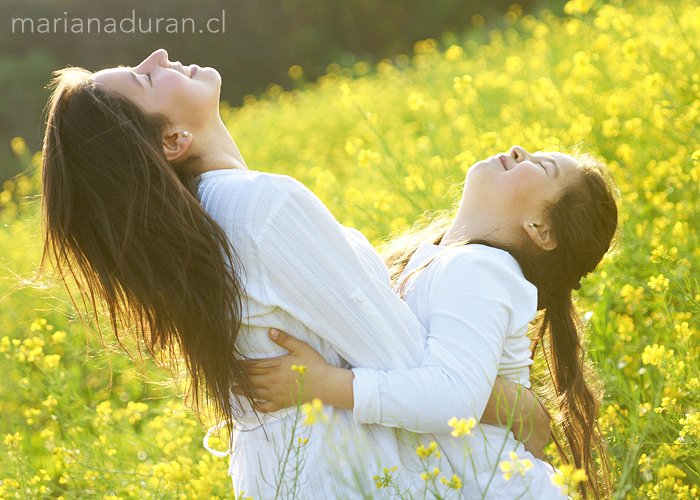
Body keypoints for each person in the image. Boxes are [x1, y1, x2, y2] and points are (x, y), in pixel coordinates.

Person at [41, 48, 551, 499]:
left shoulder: (210, 222)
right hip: (379, 472)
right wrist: (529, 416)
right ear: (174, 139)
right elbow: (414, 366)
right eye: (145, 78)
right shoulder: (260, 208)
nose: (157, 55)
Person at [240, 147, 618, 499]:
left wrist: (322, 383)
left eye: (541, 166)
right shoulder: (444, 262)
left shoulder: (481, 269)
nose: (521, 151)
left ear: (539, 228)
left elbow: (453, 394)